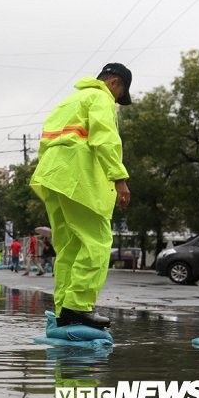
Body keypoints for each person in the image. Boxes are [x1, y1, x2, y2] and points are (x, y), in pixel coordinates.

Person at [30, 63, 132, 329]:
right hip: (77, 177)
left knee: (68, 246)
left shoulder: (69, 100)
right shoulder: (100, 97)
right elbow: (105, 140)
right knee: (97, 241)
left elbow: (45, 141)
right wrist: (119, 178)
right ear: (115, 83)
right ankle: (78, 306)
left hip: (53, 176)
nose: (117, 100)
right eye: (120, 95)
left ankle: (65, 308)